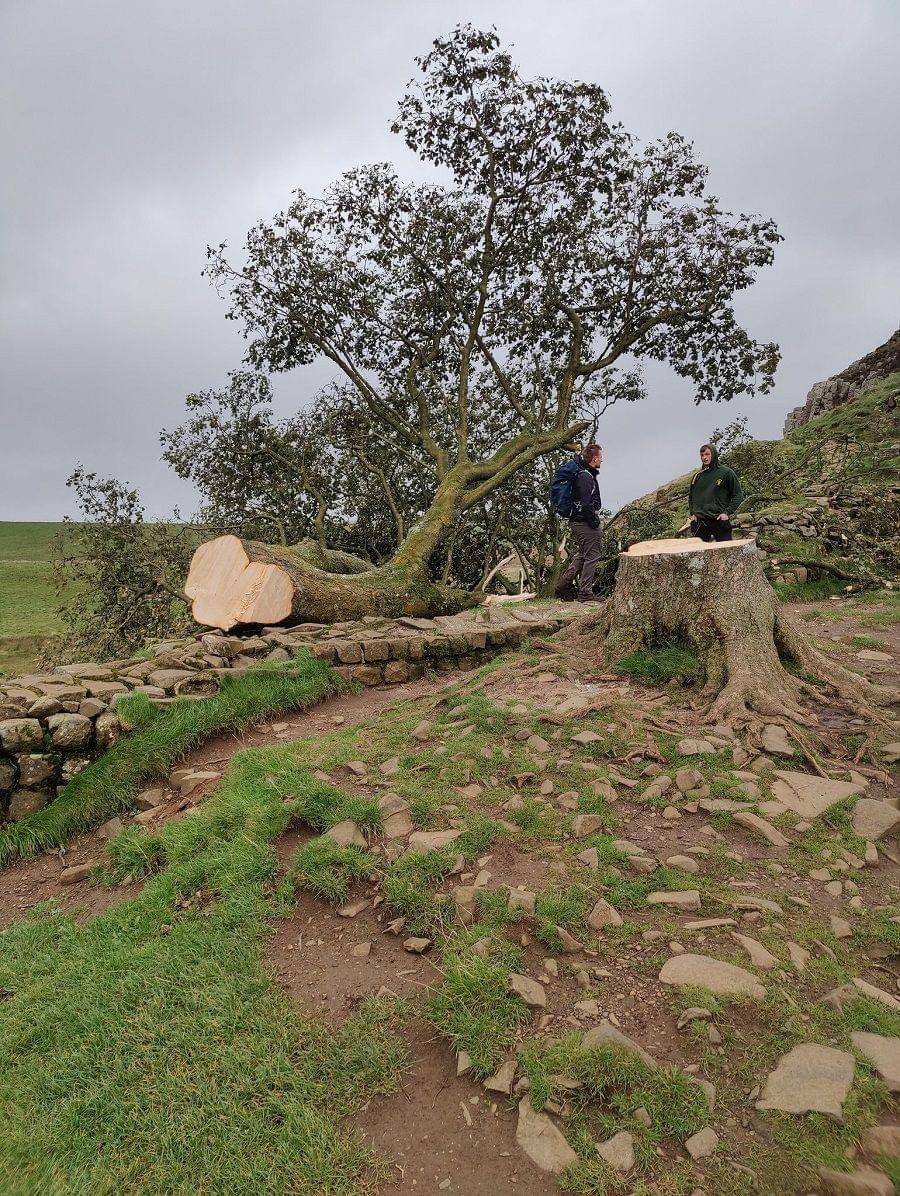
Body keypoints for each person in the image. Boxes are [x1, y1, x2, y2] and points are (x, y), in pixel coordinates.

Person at [555, 444, 603, 601]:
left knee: (583, 554)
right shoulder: (585, 476)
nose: (602, 460)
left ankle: (563, 584)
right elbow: (586, 503)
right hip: (584, 522)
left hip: (577, 521)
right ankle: (585, 592)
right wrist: (594, 522)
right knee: (593, 555)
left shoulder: (582, 474)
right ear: (595, 459)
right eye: (601, 457)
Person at [688, 443, 744, 542]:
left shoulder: (726, 473)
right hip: (700, 522)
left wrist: (727, 513)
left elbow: (738, 495)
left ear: (713, 454)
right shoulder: (697, 476)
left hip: (719, 520)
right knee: (699, 554)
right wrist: (693, 513)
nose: (704, 457)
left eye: (707, 454)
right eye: (702, 455)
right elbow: (691, 498)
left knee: (726, 552)